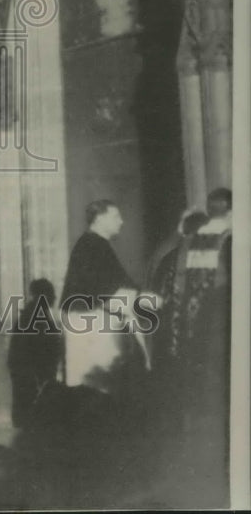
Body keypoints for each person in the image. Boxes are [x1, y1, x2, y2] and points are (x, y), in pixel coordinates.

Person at [153, 187, 231, 505]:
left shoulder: (188, 245)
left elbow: (180, 289)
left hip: (192, 331)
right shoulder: (228, 240)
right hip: (219, 327)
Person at [60, 199, 141, 394]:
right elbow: (105, 289)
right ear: (98, 219)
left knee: (94, 384)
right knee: (95, 384)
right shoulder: (92, 245)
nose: (121, 221)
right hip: (91, 322)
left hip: (92, 319)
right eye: (115, 216)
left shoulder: (95, 244)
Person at [7, 278, 62, 430]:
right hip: (32, 373)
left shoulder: (36, 313)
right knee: (29, 412)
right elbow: (35, 346)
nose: (54, 298)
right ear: (42, 296)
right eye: (51, 294)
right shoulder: (34, 315)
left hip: (32, 372)